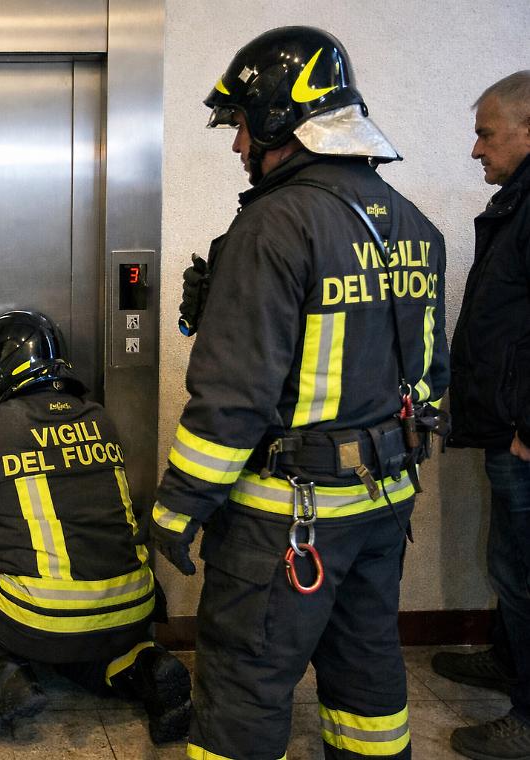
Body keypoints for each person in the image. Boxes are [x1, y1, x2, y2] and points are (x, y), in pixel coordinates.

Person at [151, 28, 448, 759]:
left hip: (287, 520)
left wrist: (179, 504)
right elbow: (428, 378)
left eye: (243, 126)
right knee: (368, 674)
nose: (235, 147)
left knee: (244, 685)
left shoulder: (273, 225)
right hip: (383, 505)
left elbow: (235, 398)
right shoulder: (417, 228)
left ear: (281, 121)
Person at [0, 310, 191, 743]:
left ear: (0, 371)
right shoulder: (98, 418)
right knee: (73, 642)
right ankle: (144, 667)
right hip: (133, 608)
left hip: (39, 617)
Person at [432, 70, 530, 760]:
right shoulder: (519, 203)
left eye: (485, 134)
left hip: (526, 437)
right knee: (513, 566)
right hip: (507, 427)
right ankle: (507, 659)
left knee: (526, 572)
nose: (475, 150)